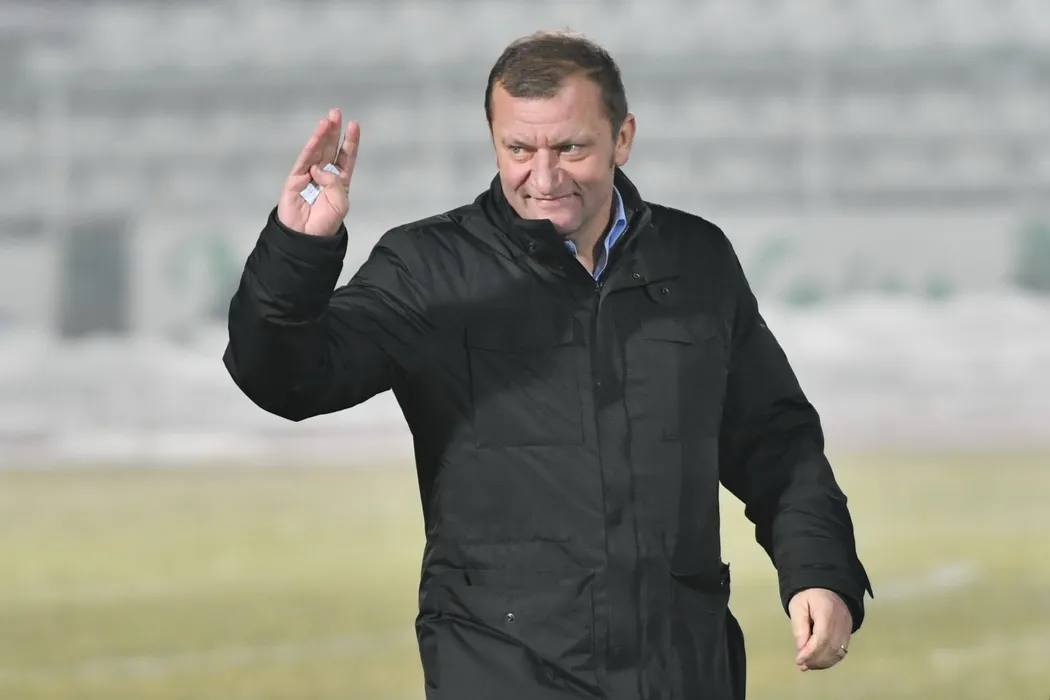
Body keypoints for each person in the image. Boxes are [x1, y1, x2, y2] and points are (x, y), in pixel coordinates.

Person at [223, 30, 873, 700]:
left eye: (570, 148)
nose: (544, 177)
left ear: (622, 138)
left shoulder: (696, 260)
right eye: (519, 149)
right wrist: (298, 252)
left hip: (681, 666)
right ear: (494, 141)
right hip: (501, 667)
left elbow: (775, 441)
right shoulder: (429, 269)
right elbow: (287, 380)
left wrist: (819, 569)